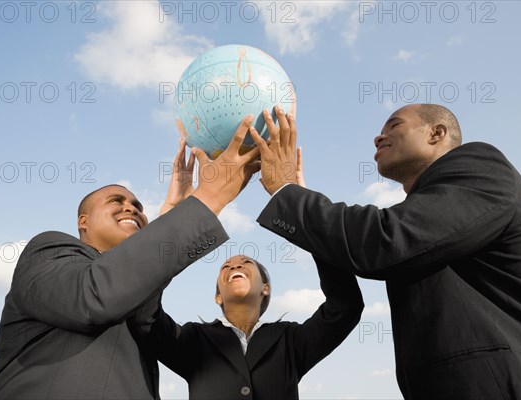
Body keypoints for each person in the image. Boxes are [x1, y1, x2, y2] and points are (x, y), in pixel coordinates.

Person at [251, 104, 521, 399]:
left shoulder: (481, 167)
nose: (378, 136)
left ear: (436, 133)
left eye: (394, 124)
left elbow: (385, 242)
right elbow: (365, 248)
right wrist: (298, 198)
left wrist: (286, 192)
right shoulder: (424, 213)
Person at [0, 116, 261, 400]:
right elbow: (95, 297)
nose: (132, 208)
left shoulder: (133, 293)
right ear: (83, 221)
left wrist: (171, 218)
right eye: (116, 201)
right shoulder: (47, 250)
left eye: (138, 206)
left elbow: (144, 313)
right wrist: (208, 199)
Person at [148, 134, 362, 399]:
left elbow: (344, 307)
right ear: (217, 296)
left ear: (266, 288)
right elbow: (145, 314)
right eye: (226, 267)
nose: (235, 264)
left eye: (246, 262)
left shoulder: (290, 340)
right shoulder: (194, 339)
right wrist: (172, 219)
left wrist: (305, 208)